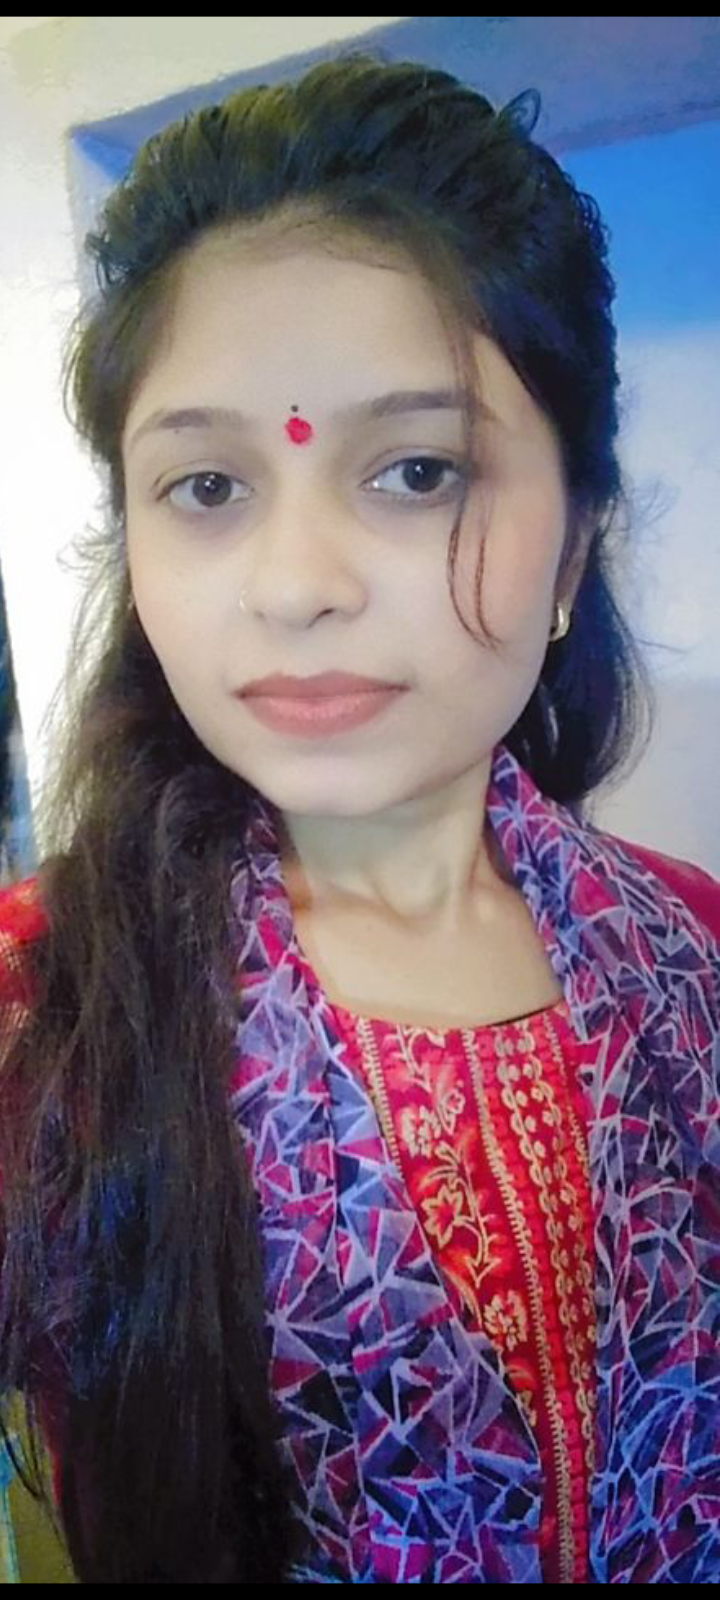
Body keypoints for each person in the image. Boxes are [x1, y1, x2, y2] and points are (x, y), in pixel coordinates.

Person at [0, 50, 718, 1585]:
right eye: (208, 487)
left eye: (415, 469)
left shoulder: (696, 943)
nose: (296, 583)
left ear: (575, 544)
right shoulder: (42, 1007)